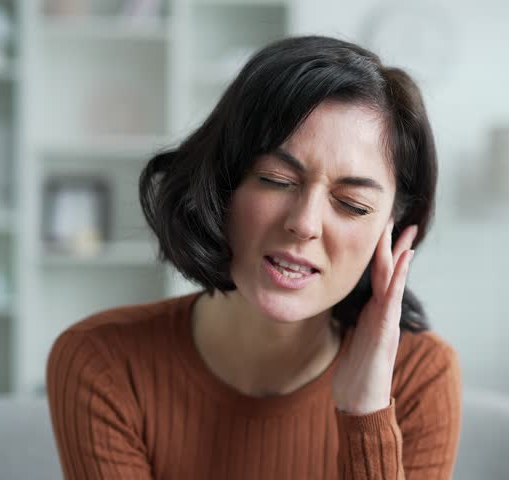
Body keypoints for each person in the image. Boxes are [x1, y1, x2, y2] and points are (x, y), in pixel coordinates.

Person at [46, 35, 461, 479]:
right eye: (276, 179)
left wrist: (366, 416)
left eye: (353, 205)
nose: (305, 223)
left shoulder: (419, 377)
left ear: (394, 232)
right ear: (222, 184)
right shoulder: (105, 363)